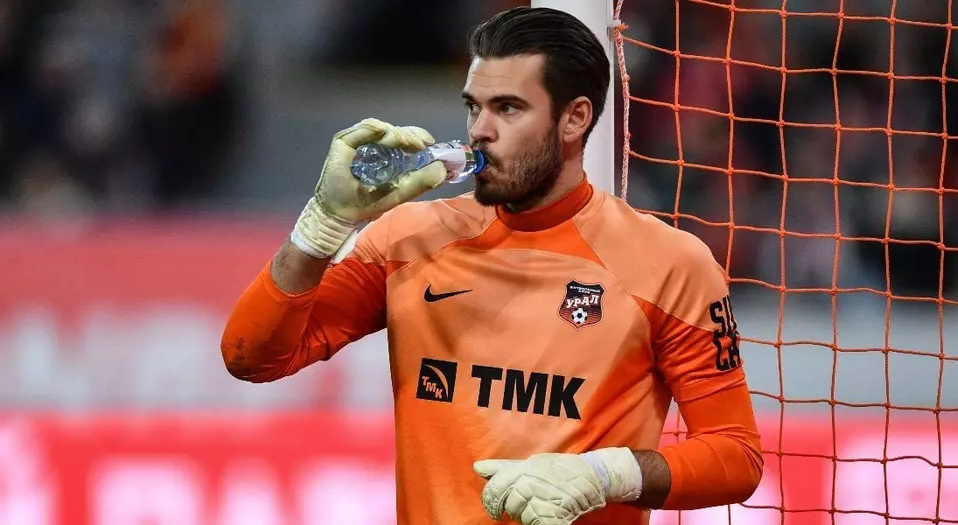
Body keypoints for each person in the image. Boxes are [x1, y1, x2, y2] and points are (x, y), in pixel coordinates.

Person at [221, 6, 763, 525]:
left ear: (575, 118)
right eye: (473, 106)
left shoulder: (669, 264)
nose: (479, 129)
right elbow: (252, 357)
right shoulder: (407, 239)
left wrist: (605, 475)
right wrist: (323, 224)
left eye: (507, 108)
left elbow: (736, 457)